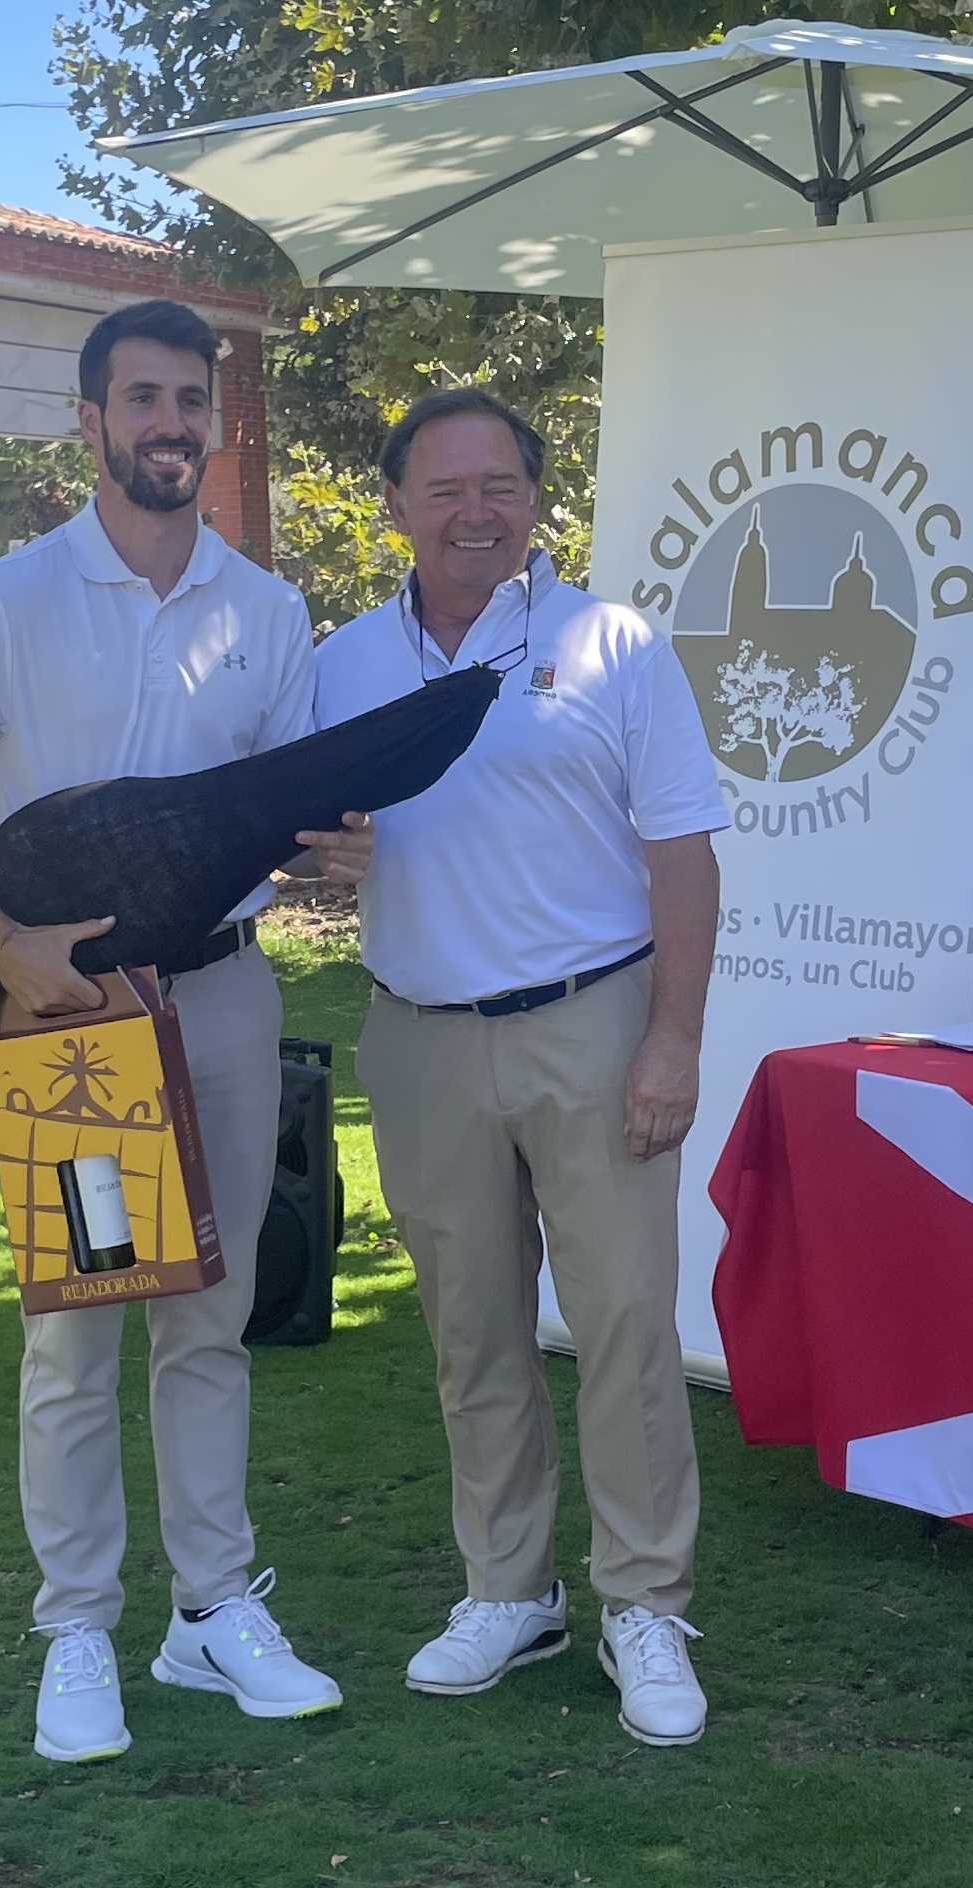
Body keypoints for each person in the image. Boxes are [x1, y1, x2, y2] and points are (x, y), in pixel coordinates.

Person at [0, 299, 372, 1765]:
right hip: (70, 1021)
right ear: (88, 422)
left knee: (212, 1325)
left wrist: (347, 845)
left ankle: (211, 1613)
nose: (169, 424)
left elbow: (293, 817)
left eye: (190, 400)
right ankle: (76, 1628)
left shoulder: (267, 614)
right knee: (80, 1331)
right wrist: (4, 946)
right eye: (141, 399)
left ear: (215, 419)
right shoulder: (7, 600)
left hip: (218, 995)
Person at [309, 389, 726, 1745]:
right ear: (395, 506)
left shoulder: (613, 645)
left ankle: (644, 1602)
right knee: (472, 1332)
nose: (472, 509)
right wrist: (316, 859)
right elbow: (304, 838)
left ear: (535, 500)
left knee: (621, 1326)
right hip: (419, 1035)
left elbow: (683, 857)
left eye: (498, 484)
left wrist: (672, 1037)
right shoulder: (343, 664)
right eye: (444, 487)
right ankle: (510, 1589)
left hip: (590, 1023)